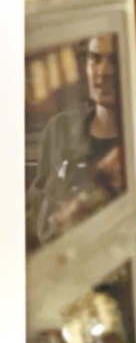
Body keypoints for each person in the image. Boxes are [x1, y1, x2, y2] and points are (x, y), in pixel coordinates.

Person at [26, 33, 124, 248]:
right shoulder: (60, 129)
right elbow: (38, 196)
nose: (103, 71)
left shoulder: (134, 143)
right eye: (95, 59)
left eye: (114, 60)